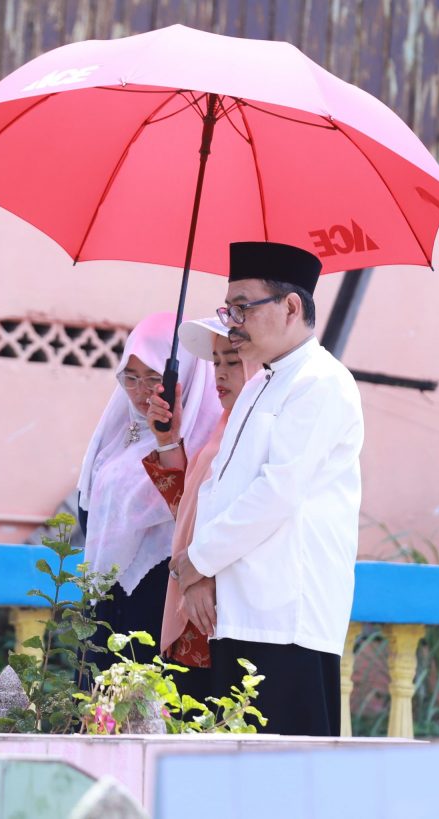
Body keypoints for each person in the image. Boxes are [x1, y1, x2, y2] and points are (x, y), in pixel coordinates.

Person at [171, 241, 364, 736]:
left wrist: (199, 560)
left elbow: (276, 492)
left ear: (291, 306)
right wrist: (200, 575)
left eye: (242, 307)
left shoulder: (323, 382)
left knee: (286, 786)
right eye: (228, 308)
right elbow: (220, 484)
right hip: (236, 610)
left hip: (286, 618)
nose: (232, 322)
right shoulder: (262, 382)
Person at [76, 312, 221, 675]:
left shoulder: (206, 441)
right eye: (131, 378)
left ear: (182, 376)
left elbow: (191, 514)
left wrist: (168, 441)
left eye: (154, 379)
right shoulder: (115, 438)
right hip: (109, 602)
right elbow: (88, 503)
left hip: (163, 601)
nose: (141, 393)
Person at [141, 317, 256, 702]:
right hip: (195, 606)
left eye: (233, 361)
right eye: (216, 363)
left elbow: (250, 518)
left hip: (227, 606)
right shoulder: (223, 429)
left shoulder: (258, 430)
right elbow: (188, 512)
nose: (220, 374)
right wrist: (168, 440)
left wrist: (200, 571)